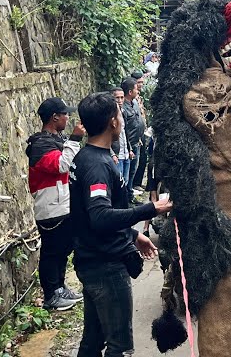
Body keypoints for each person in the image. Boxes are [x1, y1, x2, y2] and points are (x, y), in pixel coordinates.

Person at [70, 92, 173, 357]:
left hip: (92, 260)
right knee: (120, 346)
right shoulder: (96, 165)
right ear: (113, 123)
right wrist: (151, 209)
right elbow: (100, 216)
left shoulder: (86, 157)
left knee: (93, 340)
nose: (123, 120)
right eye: (119, 115)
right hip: (105, 267)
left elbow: (92, 215)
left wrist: (131, 235)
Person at [26, 97, 86, 311]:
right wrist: (75, 139)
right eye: (65, 114)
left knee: (62, 250)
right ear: (54, 117)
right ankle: (51, 295)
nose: (68, 118)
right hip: (50, 208)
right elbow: (61, 165)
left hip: (62, 205)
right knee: (52, 252)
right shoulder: (40, 145)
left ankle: (60, 288)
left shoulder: (54, 140)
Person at [118, 78, 145, 192]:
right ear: (130, 92)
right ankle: (126, 196)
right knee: (126, 172)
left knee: (133, 169)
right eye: (135, 89)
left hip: (136, 142)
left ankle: (130, 192)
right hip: (129, 144)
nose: (137, 91)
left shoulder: (134, 103)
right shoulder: (122, 108)